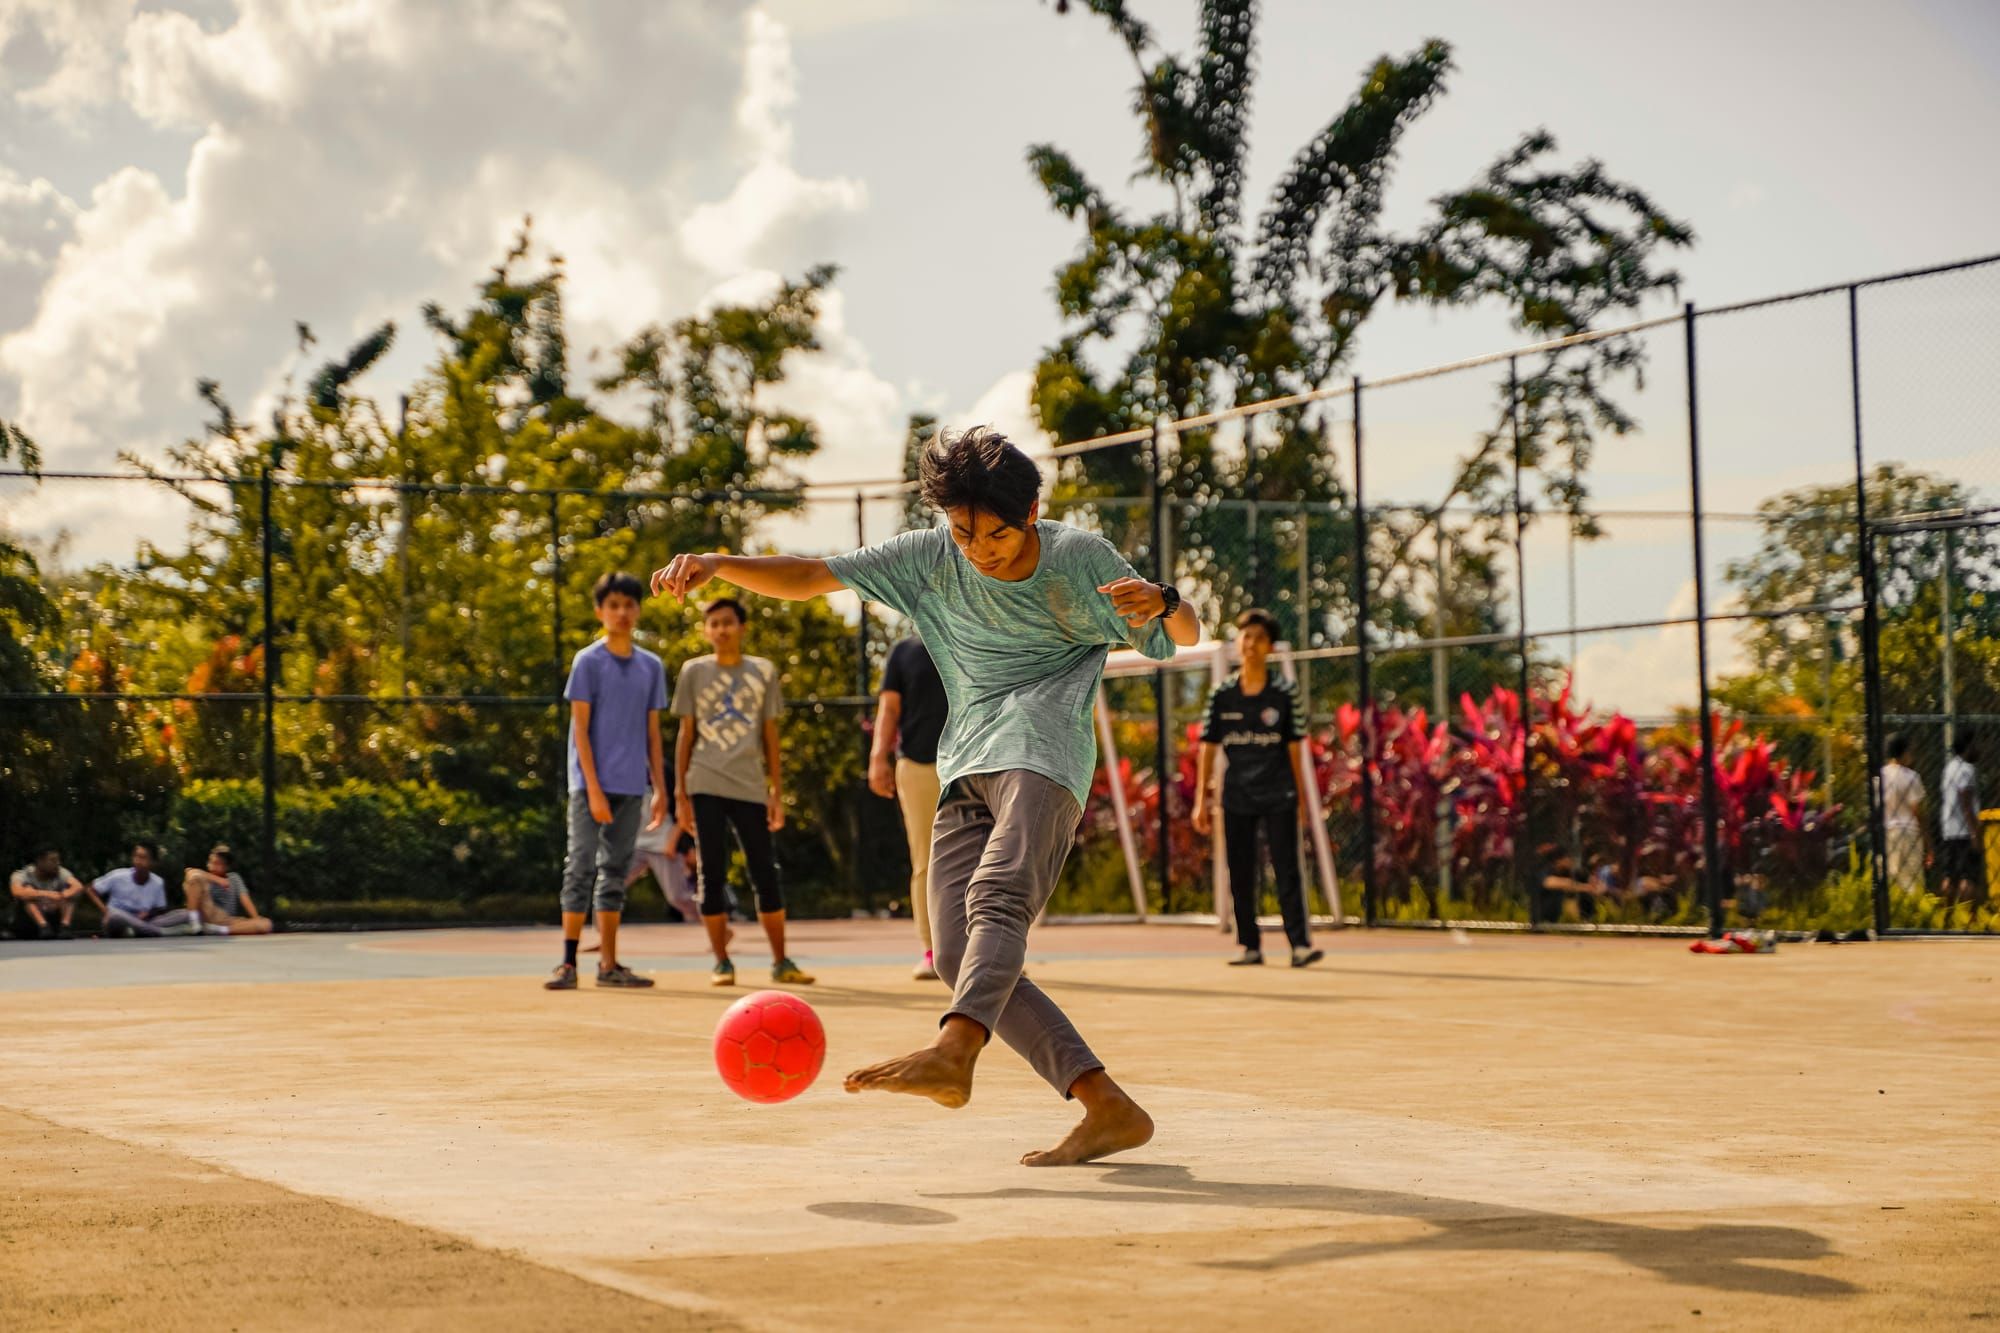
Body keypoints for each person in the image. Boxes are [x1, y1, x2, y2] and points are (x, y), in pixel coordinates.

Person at [652, 425, 1200, 1166]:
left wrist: (1165, 600)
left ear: (1032, 511)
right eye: (965, 533)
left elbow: (1184, 632)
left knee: (998, 896)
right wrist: (720, 563)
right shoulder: (929, 556)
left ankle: (954, 1050)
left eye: (997, 534)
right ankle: (1108, 1106)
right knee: (954, 952)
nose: (980, 551)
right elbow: (811, 574)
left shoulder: (1079, 559)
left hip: (1044, 753)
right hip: (965, 760)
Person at [672, 596, 812, 987]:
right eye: (713, 623)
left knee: (765, 871)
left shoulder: (762, 671)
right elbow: (686, 734)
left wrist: (776, 791)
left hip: (750, 785)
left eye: (727, 622)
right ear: (706, 630)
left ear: (742, 627)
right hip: (704, 783)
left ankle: (781, 961)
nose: (721, 629)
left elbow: (770, 734)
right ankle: (721, 962)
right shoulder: (693, 672)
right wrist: (680, 793)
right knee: (711, 872)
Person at [547, 571, 666, 991]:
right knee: (580, 867)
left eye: (629, 605)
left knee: (614, 871)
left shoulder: (651, 666)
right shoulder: (588, 662)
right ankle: (567, 964)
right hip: (588, 786)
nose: (622, 612)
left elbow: (653, 734)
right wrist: (593, 789)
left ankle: (609, 965)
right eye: (613, 605)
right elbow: (580, 730)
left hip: (632, 786)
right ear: (600, 611)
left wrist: (660, 789)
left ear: (638, 610)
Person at [1192, 608, 1323, 969]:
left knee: (1287, 869)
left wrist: (1300, 798)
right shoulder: (1221, 694)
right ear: (1238, 642)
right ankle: (1249, 945)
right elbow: (1208, 747)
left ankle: (1299, 945)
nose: (1251, 644)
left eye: (1259, 638)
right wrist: (1201, 799)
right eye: (1246, 637)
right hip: (1237, 796)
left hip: (1279, 793)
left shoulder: (1284, 692)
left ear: (1270, 647)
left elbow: (1295, 747)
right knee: (1240, 871)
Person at [870, 634, 948, 980]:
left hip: (974, 762)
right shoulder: (904, 651)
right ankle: (933, 951)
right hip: (918, 766)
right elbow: (889, 708)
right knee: (926, 859)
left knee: (984, 859)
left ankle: (989, 952)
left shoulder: (974, 633)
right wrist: (878, 757)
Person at [91, 842, 203, 938]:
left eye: (143, 858)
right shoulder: (118, 875)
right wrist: (105, 911)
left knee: (186, 914)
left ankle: (137, 931)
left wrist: (148, 913)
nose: (138, 861)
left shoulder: (158, 882)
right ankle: (157, 932)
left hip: (145, 921)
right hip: (118, 921)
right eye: (136, 856)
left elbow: (160, 909)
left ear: (153, 862)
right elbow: (91, 889)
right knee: (115, 915)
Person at [183, 845, 274, 935]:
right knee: (195, 876)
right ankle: (194, 924)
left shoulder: (234, 878)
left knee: (266, 924)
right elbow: (190, 872)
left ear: (226, 867)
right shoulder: (203, 877)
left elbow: (245, 899)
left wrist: (256, 918)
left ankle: (219, 930)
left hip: (227, 920)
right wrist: (218, 880)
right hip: (208, 913)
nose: (212, 865)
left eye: (217, 863)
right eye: (211, 861)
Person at [1880, 734, 1927, 893]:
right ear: (1904, 752)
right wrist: (1928, 840)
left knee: (1891, 880)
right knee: (1912, 882)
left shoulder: (1879, 777)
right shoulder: (1911, 776)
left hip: (1887, 832)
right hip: (1909, 833)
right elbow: (1917, 810)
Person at [1940, 734, 1982, 909]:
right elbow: (1966, 801)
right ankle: (1968, 917)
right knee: (1968, 877)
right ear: (1968, 746)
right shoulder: (1966, 768)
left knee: (1950, 875)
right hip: (1965, 830)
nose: (1978, 749)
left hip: (1949, 830)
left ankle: (1948, 915)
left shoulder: (1949, 768)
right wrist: (1974, 833)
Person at [9, 845, 87, 939]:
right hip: (28, 920)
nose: (57, 863)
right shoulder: (22, 874)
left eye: (58, 860)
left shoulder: (61, 872)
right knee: (27, 892)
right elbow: (17, 892)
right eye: (53, 860)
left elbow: (78, 886)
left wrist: (62, 895)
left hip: (53, 913)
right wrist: (47, 895)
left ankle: (65, 926)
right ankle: (43, 926)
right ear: (40, 861)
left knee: (71, 894)